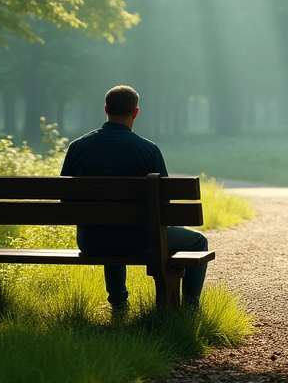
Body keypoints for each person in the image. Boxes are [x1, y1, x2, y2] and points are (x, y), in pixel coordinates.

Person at [60, 85, 208, 309]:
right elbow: (164, 205)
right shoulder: (148, 150)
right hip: (139, 241)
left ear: (106, 109)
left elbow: (65, 200)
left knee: (110, 225)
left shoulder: (77, 147)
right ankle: (190, 309)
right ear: (135, 112)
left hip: (91, 241)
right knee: (199, 241)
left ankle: (119, 302)